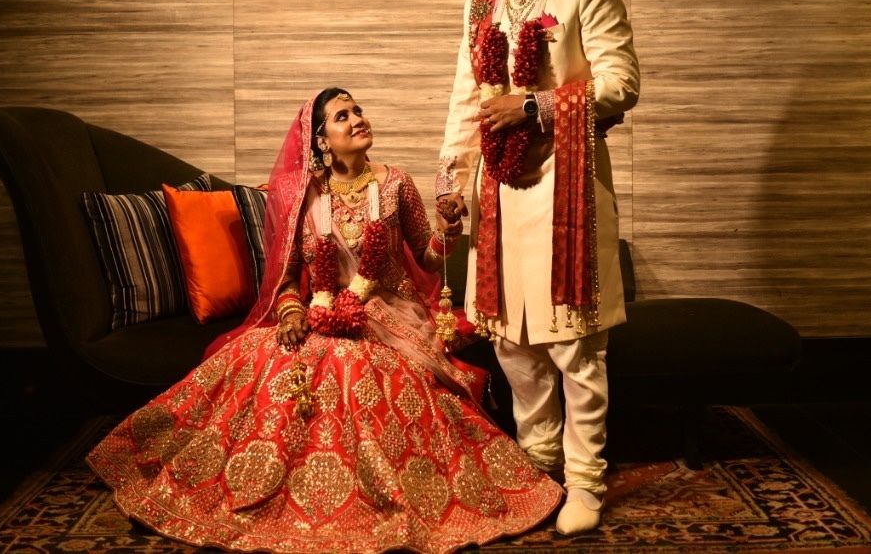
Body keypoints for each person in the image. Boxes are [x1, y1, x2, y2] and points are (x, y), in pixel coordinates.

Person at [87, 87, 563, 553]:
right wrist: (292, 311)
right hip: (319, 309)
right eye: (342, 116)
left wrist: (449, 227)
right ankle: (270, 487)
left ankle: (371, 498)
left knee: (354, 367)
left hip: (390, 313)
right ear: (320, 140)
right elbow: (288, 274)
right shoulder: (301, 195)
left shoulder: (395, 183)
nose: (358, 119)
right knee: (260, 357)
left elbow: (428, 258)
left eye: (358, 110)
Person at [435, 0, 639, 535]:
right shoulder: (481, 2)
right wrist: (451, 181)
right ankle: (539, 461)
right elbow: (467, 98)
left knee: (574, 343)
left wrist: (533, 106)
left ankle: (585, 481)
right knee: (512, 342)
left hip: (566, 185)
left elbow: (621, 83)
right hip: (499, 190)